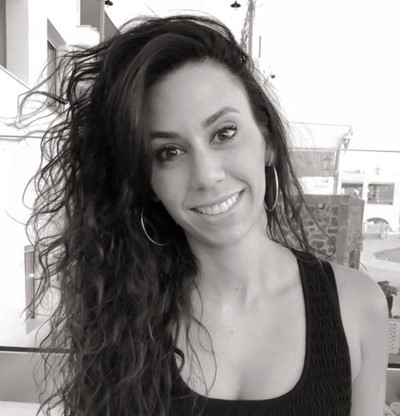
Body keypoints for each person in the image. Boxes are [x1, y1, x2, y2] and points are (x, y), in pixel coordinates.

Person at [23, 14, 388, 416]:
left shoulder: (358, 305)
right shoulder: (119, 318)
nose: (206, 175)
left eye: (224, 133)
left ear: (266, 140)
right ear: (148, 182)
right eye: (170, 152)